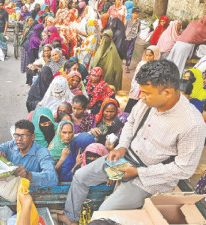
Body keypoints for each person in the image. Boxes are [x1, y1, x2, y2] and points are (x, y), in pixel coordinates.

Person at [57, 60, 206, 225]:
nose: (140, 97)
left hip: (149, 180)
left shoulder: (192, 124)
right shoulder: (146, 101)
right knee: (80, 176)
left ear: (168, 92)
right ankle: (71, 218)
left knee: (104, 213)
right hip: (125, 160)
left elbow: (184, 169)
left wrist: (138, 172)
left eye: (146, 93)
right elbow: (131, 123)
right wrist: (122, 147)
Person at [0, 120, 58, 187]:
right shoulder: (11, 145)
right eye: (16, 135)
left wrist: (28, 175)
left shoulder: (42, 152)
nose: (19, 139)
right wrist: (0, 156)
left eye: (24, 136)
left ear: (32, 137)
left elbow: (53, 179)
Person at [125, 46, 160, 113]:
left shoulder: (157, 67)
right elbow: (136, 78)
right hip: (137, 90)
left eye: (150, 55)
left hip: (148, 92)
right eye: (146, 55)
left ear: (155, 55)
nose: (147, 57)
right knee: (130, 109)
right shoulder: (141, 64)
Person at [124, 7, 141, 73]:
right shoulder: (128, 20)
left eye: (137, 14)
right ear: (132, 13)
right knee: (125, 51)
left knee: (130, 52)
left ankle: (127, 66)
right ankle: (122, 61)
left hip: (133, 39)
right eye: (135, 13)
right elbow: (124, 28)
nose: (136, 15)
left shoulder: (138, 21)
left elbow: (139, 29)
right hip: (126, 38)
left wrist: (137, 35)